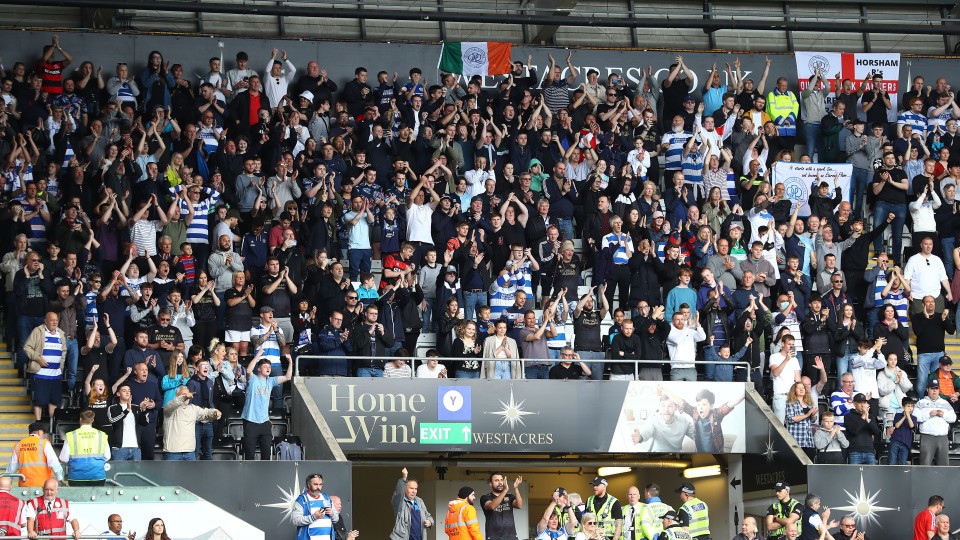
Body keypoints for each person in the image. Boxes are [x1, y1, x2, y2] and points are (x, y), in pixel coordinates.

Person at [241, 348, 292, 460]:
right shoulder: (253, 379)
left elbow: (288, 377)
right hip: (251, 421)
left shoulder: (270, 381)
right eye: (265, 367)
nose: (268, 368)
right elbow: (249, 371)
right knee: (249, 455)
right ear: (259, 369)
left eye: (269, 367)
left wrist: (290, 362)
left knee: (266, 456)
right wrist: (258, 355)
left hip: (265, 423)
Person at [162, 386, 222, 461]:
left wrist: (214, 413)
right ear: (177, 396)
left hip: (189, 453)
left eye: (188, 394)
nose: (187, 396)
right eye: (184, 394)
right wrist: (184, 398)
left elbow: (205, 413)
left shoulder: (193, 408)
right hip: (172, 452)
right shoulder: (169, 409)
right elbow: (173, 404)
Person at [58, 410, 110, 486]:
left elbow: (63, 458)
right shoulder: (102, 435)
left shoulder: (71, 435)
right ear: (93, 420)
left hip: (76, 476)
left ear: (80, 419)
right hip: (97, 476)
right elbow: (107, 456)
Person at [915, 380, 957, 466]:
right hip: (927, 436)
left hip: (942, 437)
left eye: (936, 388)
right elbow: (915, 417)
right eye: (932, 388)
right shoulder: (920, 403)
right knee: (924, 465)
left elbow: (953, 418)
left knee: (943, 465)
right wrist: (928, 414)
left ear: (939, 390)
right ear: (927, 389)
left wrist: (944, 415)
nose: (934, 390)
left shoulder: (945, 403)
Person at [8, 422, 63, 487]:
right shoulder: (44, 443)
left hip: (24, 485)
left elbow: (11, 468)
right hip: (42, 485)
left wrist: (7, 482)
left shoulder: (19, 444)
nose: (43, 435)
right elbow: (54, 463)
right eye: (43, 433)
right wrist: (60, 479)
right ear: (39, 432)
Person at [390, 467, 434, 540]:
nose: (414, 491)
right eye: (411, 488)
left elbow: (428, 515)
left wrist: (430, 522)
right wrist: (404, 478)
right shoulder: (400, 501)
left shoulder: (419, 501)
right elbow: (398, 493)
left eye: (415, 489)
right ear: (405, 488)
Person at [292, 473, 338, 540]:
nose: (318, 487)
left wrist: (332, 514)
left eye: (320, 484)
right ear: (308, 484)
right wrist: (313, 517)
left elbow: (336, 519)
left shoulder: (326, 498)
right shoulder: (302, 499)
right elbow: (295, 520)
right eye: (315, 484)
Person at [481, 473, 524, 540]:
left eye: (501, 480)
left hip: (511, 537)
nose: (500, 482)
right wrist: (505, 490)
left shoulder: (509, 496)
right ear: (490, 483)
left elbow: (519, 505)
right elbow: (492, 506)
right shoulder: (485, 497)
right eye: (497, 480)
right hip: (493, 537)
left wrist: (516, 488)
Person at [845, 393, 881, 464]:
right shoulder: (848, 416)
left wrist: (868, 421)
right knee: (854, 474)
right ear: (854, 404)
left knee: (871, 475)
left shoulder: (870, 416)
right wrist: (863, 416)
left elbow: (876, 432)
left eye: (864, 402)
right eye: (859, 402)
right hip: (854, 452)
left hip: (869, 451)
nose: (862, 405)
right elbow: (854, 431)